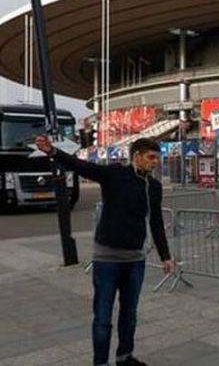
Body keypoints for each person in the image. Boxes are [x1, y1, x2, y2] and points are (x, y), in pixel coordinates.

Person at [35, 136, 175, 366]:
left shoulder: (154, 187)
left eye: (157, 158)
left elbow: (156, 222)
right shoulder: (114, 174)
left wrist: (166, 256)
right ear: (137, 156)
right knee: (103, 316)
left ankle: (124, 357)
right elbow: (82, 166)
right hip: (107, 260)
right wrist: (53, 152)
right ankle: (100, 362)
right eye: (151, 157)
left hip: (135, 260)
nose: (155, 162)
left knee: (129, 314)